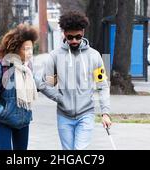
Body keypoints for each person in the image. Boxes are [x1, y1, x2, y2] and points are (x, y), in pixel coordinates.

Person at [37, 11, 112, 150]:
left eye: (78, 37)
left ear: (83, 32)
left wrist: (105, 112)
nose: (74, 41)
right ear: (64, 33)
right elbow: (44, 83)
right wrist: (58, 98)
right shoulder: (55, 56)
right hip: (64, 116)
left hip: (86, 114)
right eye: (70, 37)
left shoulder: (94, 56)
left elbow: (102, 85)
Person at [0, 24, 39, 150]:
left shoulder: (27, 68)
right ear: (15, 49)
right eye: (25, 49)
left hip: (23, 123)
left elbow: (37, 85)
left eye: (31, 49)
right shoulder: (0, 68)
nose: (30, 52)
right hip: (4, 123)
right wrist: (2, 112)